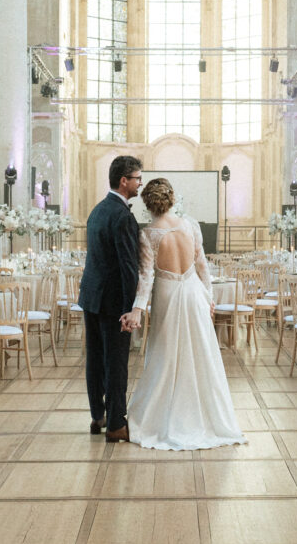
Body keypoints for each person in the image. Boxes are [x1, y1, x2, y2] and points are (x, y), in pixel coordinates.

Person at [121, 178, 246, 451]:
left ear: (148, 205)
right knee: (201, 354)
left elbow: (147, 278)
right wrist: (208, 298)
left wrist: (137, 310)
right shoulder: (190, 226)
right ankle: (205, 418)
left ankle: (162, 417)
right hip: (194, 294)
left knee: (166, 355)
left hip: (167, 295)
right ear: (172, 199)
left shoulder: (148, 234)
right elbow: (202, 266)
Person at [78, 155, 142, 442]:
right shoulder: (122, 216)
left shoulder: (97, 211)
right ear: (123, 181)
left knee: (95, 359)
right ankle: (116, 424)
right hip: (113, 302)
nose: (140, 182)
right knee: (115, 362)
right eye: (137, 178)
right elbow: (129, 268)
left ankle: (97, 416)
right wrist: (131, 309)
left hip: (91, 297)